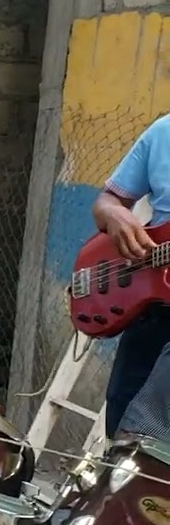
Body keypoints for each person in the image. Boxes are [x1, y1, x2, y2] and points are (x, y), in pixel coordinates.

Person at [90, 113, 170, 437]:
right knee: (122, 418)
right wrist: (115, 212)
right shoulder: (164, 132)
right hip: (153, 304)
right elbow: (106, 201)